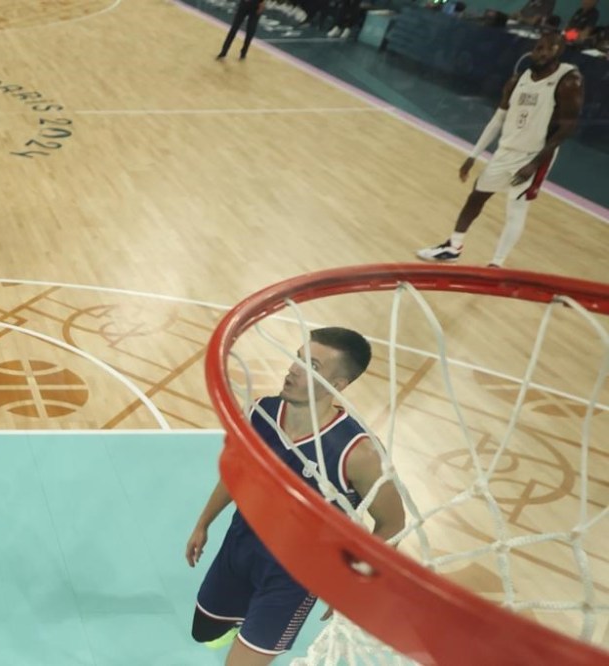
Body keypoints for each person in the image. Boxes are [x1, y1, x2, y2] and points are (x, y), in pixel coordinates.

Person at [185, 327, 404, 665]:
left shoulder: (358, 453)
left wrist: (354, 581)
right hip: (239, 547)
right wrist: (203, 522)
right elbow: (237, 472)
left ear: (338, 384)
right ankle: (239, 624)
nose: (293, 370)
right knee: (203, 632)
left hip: (294, 578)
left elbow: (393, 523)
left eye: (312, 366)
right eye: (298, 358)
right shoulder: (261, 412)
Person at [416, 33, 583, 267]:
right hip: (507, 151)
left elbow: (568, 126)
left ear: (560, 51)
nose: (543, 53)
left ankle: (496, 263)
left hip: (534, 156)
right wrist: (473, 155)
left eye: (550, 48)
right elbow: (498, 119)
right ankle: (453, 247)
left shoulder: (568, 81)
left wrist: (534, 164)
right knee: (477, 195)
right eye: (539, 48)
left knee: (516, 207)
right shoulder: (518, 80)